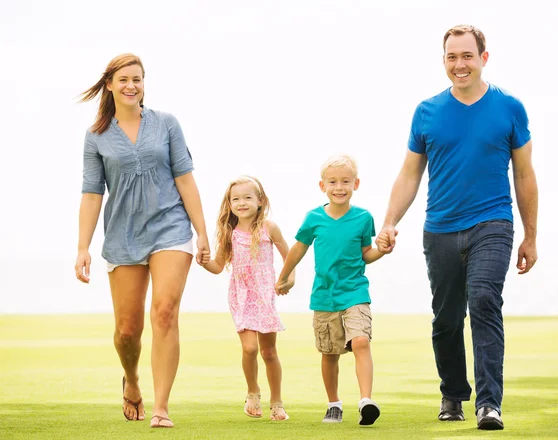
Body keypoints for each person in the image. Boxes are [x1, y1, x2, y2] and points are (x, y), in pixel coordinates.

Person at [376, 24, 539, 430]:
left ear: (484, 58)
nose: (460, 64)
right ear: (444, 61)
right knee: (446, 317)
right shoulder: (426, 111)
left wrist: (531, 235)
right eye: (452, 57)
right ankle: (452, 394)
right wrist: (390, 222)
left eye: (467, 56)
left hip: (493, 223)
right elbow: (410, 175)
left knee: (484, 300)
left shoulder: (510, 108)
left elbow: (524, 175)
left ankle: (489, 404)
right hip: (441, 228)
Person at [73, 53, 211, 428]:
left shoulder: (166, 124)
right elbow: (91, 194)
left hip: (171, 227)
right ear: (110, 85)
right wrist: (83, 246)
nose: (131, 85)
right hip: (123, 234)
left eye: (138, 78)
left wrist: (201, 232)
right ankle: (132, 380)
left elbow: (185, 179)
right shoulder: (96, 136)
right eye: (123, 80)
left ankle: (162, 407)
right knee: (127, 331)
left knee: (164, 312)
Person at [275, 154, 384, 426]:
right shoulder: (314, 218)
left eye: (345, 181)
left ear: (355, 184)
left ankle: (365, 401)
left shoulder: (363, 218)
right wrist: (284, 276)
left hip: (356, 291)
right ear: (322, 186)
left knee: (360, 340)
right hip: (324, 295)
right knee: (330, 353)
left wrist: (382, 249)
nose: (339, 187)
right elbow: (298, 249)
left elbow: (366, 254)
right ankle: (334, 404)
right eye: (333, 181)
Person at [201, 176, 290, 421]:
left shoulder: (269, 228)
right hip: (241, 296)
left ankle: (277, 403)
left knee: (269, 352)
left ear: (260, 201)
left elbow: (289, 255)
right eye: (236, 199)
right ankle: (253, 392)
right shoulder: (229, 233)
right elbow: (219, 265)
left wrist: (288, 278)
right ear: (229, 204)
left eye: (248, 197)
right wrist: (203, 261)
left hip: (264, 295)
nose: (242, 203)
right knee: (250, 348)